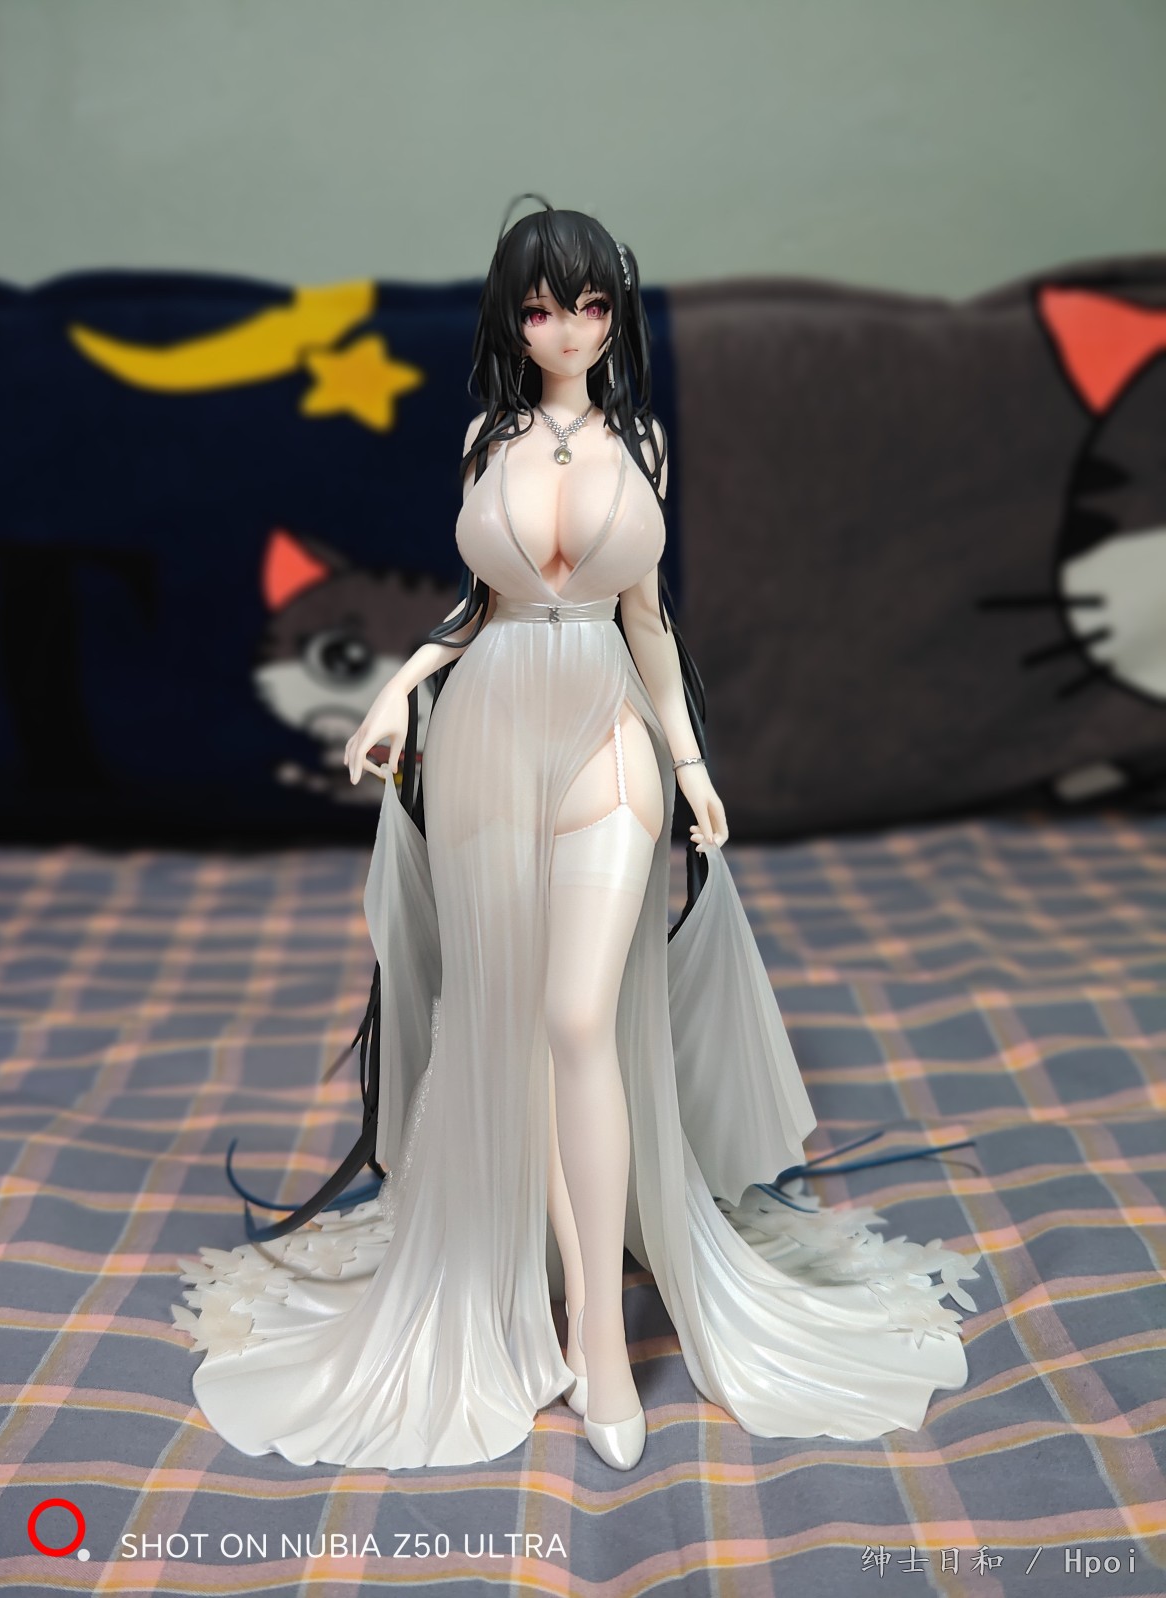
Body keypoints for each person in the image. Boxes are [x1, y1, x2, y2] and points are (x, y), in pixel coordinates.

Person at [175, 197, 980, 1473]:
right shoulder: (483, 438)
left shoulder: (643, 438)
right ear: (514, 319)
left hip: (607, 729)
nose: (569, 328)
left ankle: (601, 1330)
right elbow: (476, 607)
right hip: (490, 730)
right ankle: (558, 1299)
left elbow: (647, 617)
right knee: (511, 1012)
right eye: (544, 307)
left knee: (575, 1014)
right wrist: (395, 691)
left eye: (591, 304)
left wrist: (692, 761)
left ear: (616, 313)